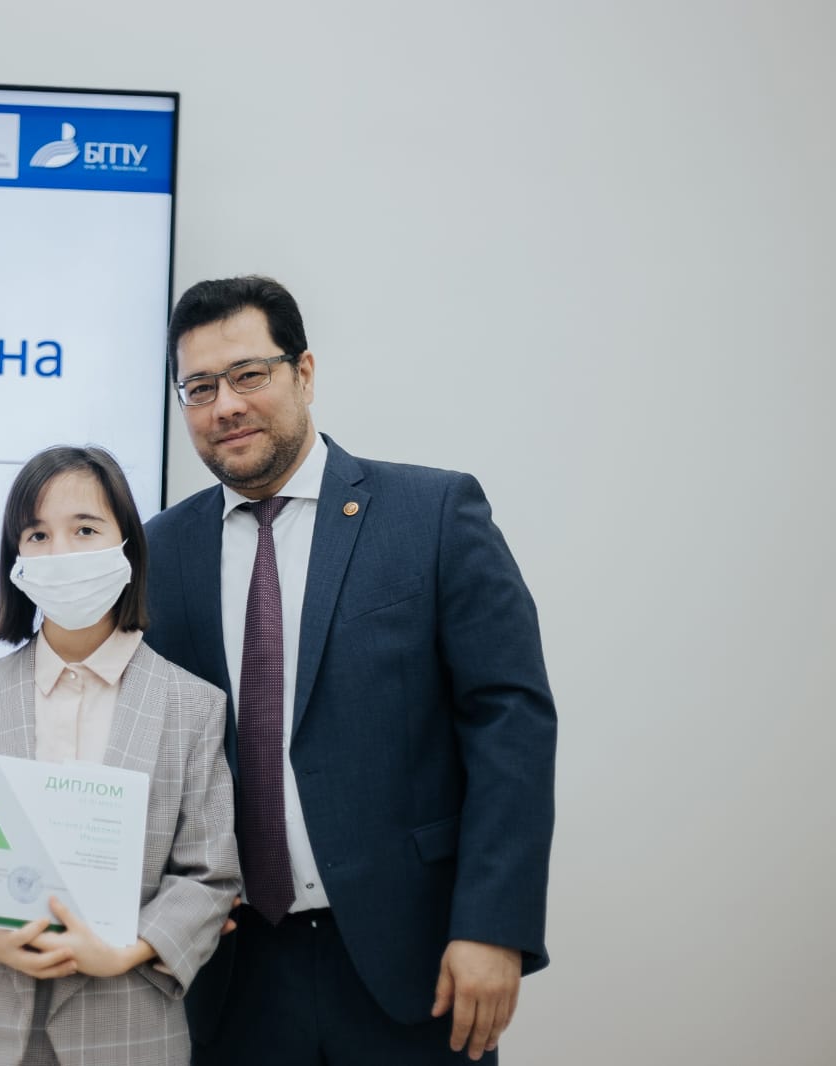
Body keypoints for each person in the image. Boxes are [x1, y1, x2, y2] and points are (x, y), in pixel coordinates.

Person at [143, 277, 557, 1065]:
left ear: (304, 372)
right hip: (230, 977)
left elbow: (511, 724)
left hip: (414, 965)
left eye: (248, 375)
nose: (225, 405)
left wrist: (493, 925)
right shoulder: (161, 551)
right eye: (199, 388)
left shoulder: (432, 515)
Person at [0, 445, 241, 1066]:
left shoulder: (193, 705)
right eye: (38, 535)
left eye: (85, 530)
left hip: (126, 1026)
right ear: (16, 560)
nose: (61, 553)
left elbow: (209, 876)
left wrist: (126, 949)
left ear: (126, 546)